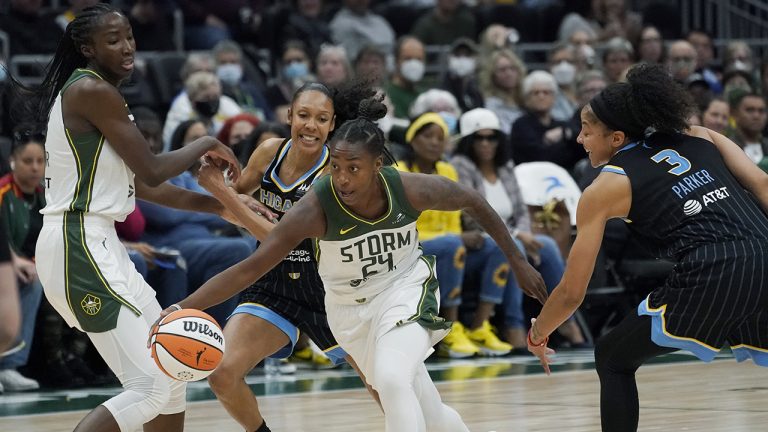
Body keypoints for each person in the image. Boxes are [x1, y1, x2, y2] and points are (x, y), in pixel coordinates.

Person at [157, 94, 548, 432]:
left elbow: (473, 201)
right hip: (340, 305)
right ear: (290, 116)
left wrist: (516, 259)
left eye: (351, 169)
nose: (342, 179)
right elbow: (252, 261)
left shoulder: (400, 185)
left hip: (398, 290)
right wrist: (181, 307)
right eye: (338, 169)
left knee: (392, 384)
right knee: (424, 406)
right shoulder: (308, 194)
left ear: (376, 164)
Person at [17, 4, 245, 432]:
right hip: (78, 244)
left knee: (171, 376)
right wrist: (208, 140)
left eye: (128, 37)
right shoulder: (91, 91)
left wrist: (221, 206)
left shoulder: (98, 93)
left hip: (98, 243)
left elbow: (146, 187)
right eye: (112, 40)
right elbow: (154, 169)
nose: (127, 48)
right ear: (87, 48)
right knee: (151, 388)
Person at [527, 63, 768, 431]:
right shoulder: (701, 134)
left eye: (587, 131)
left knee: (612, 357)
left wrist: (538, 332)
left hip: (715, 267)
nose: (579, 139)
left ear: (617, 138)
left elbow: (573, 291)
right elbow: (763, 186)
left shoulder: (604, 189)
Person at [176, 81, 380, 432]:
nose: (311, 125)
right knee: (223, 373)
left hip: (332, 290)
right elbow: (232, 207)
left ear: (332, 125)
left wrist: (222, 192)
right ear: (289, 116)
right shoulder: (269, 152)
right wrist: (235, 197)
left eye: (321, 118)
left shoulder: (336, 173)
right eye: (303, 115)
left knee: (383, 385)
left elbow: (279, 239)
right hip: (273, 287)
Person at [0, 128, 46, 392]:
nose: (35, 167)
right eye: (28, 161)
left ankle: (65, 360)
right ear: (13, 161)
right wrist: (15, 260)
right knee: (32, 281)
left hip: (35, 265)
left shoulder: (46, 195)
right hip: (9, 265)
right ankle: (8, 364)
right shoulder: (3, 191)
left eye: (40, 161)